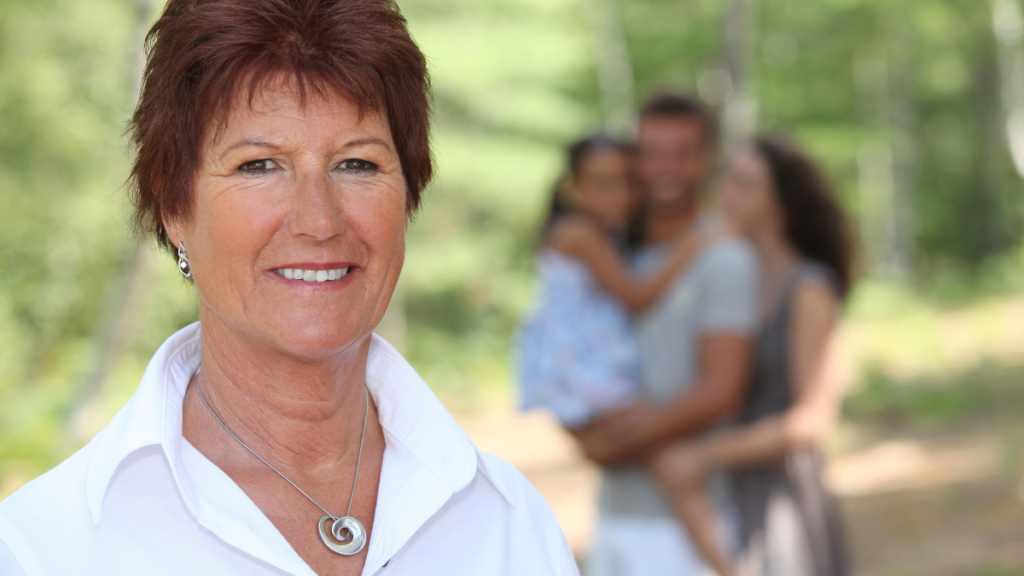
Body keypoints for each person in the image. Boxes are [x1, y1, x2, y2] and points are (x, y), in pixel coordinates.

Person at [0, 1, 578, 574]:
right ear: (174, 206)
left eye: (357, 164)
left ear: (408, 195)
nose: (318, 220)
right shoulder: (43, 548)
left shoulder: (507, 523)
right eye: (259, 165)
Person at [574, 93, 760, 576]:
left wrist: (613, 446)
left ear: (706, 160)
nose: (665, 166)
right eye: (652, 150)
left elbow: (720, 391)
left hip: (680, 528)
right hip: (613, 516)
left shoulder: (724, 257)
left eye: (683, 152)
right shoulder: (611, 253)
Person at [651, 136, 852, 576]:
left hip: (782, 498)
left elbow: (814, 417)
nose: (727, 194)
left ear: (782, 204)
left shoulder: (807, 288)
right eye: (727, 180)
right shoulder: (731, 277)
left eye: (745, 184)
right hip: (729, 492)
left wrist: (705, 455)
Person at [516, 134, 707, 429]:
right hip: (581, 364)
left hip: (589, 357)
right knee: (650, 434)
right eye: (602, 185)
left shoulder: (600, 231)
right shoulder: (580, 234)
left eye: (628, 182)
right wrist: (689, 248)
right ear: (574, 188)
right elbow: (636, 297)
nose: (619, 195)